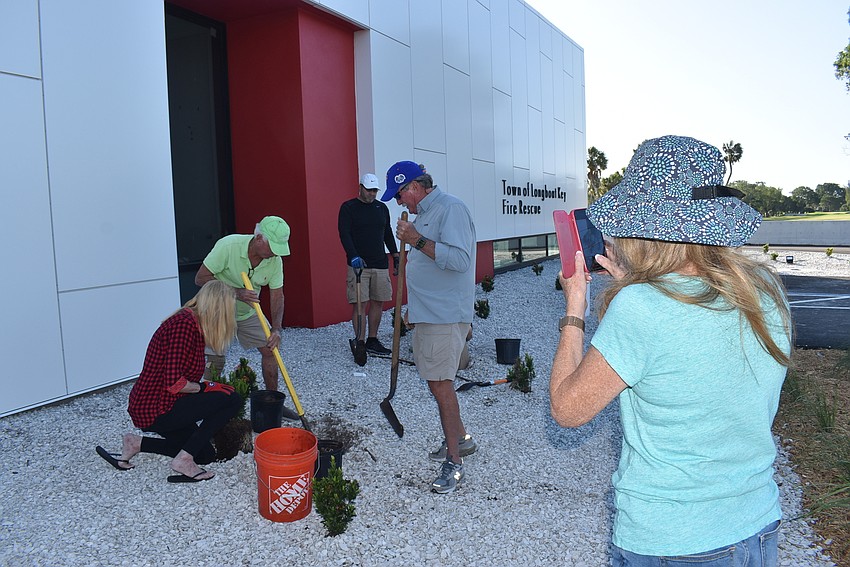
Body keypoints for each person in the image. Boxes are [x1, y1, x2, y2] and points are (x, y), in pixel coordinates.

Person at [549, 135, 792, 564]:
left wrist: (574, 309)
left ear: (641, 228)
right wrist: (637, 284)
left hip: (675, 541)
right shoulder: (764, 292)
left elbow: (568, 410)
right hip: (756, 523)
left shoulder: (641, 308)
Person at [382, 161, 478, 494]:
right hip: (429, 313)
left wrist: (416, 239)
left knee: (441, 385)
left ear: (415, 186)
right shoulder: (424, 215)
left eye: (399, 195)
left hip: (445, 316)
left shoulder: (451, 209)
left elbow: (461, 261)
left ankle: (454, 463)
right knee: (436, 383)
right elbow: (426, 268)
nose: (399, 203)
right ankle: (461, 439)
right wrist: (413, 308)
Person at [95, 280, 242, 483]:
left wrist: (205, 389)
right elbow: (174, 383)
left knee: (205, 454)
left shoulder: (194, 324)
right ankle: (184, 459)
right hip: (155, 408)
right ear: (219, 308)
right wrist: (205, 387)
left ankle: (136, 443)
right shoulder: (183, 326)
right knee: (232, 399)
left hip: (167, 403)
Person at [194, 216, 293, 404]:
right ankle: (206, 406)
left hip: (248, 311)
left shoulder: (275, 261)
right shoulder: (228, 246)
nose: (274, 253)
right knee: (215, 360)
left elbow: (277, 296)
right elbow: (200, 279)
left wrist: (277, 328)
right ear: (258, 238)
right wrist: (236, 293)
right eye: (272, 247)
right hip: (218, 309)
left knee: (271, 349)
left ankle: (273, 402)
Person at [338, 172, 400, 358]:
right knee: (359, 303)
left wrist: (395, 254)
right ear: (360, 187)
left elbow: (387, 232)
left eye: (375, 190)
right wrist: (353, 255)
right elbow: (344, 233)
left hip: (380, 263)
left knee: (378, 301)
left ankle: (372, 339)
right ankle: (360, 341)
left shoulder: (381, 208)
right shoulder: (349, 208)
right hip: (359, 265)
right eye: (369, 190)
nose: (372, 193)